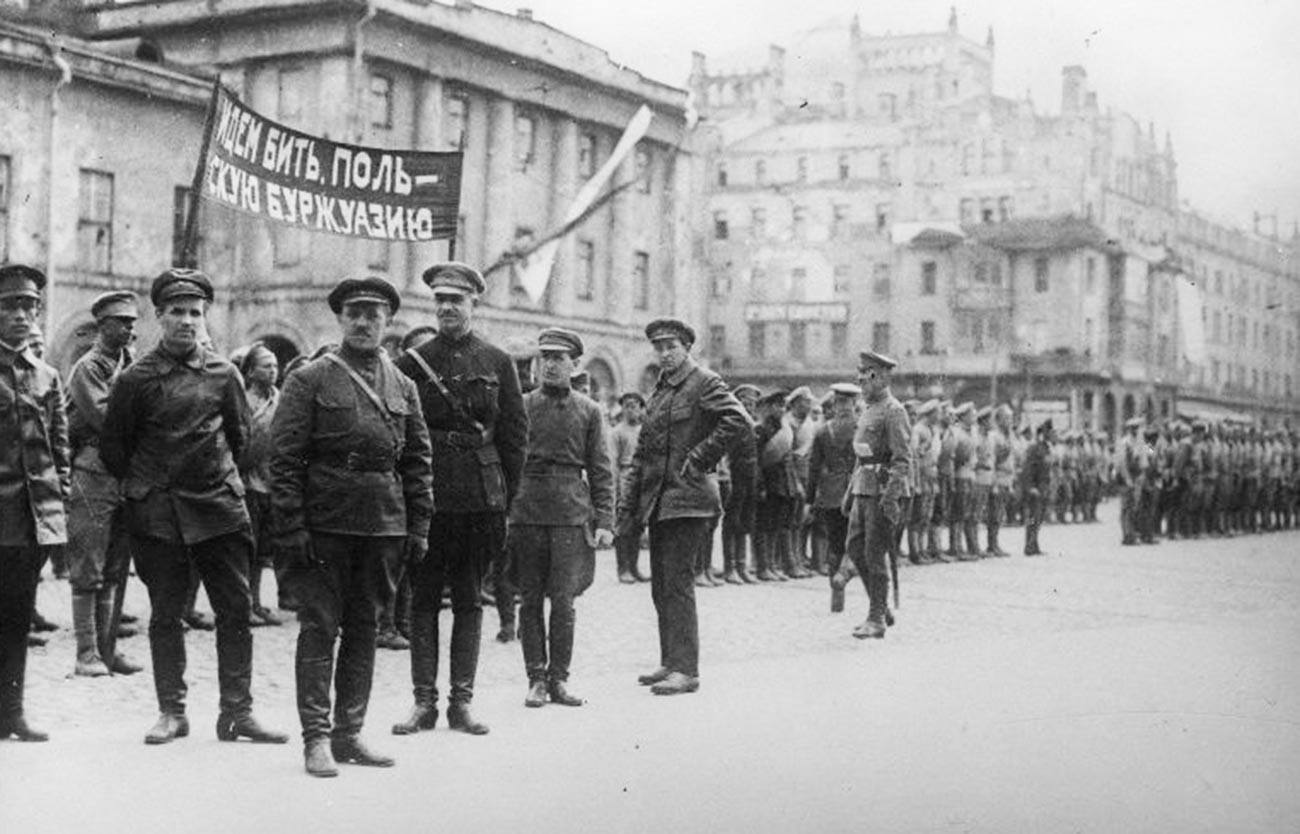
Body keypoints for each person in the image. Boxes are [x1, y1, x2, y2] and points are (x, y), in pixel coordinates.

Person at [101, 268, 287, 746]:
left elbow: (245, 442)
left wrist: (214, 476)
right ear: (159, 316)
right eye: (177, 313)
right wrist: (152, 484)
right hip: (159, 512)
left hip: (218, 509)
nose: (187, 322)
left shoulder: (225, 374)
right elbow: (114, 451)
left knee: (235, 610)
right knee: (166, 613)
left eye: (196, 313)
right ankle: (171, 711)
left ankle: (238, 713)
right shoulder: (135, 379)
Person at [270, 277, 432, 777]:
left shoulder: (403, 385)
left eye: (374, 314)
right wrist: (292, 529)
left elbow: (419, 461)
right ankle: (316, 737)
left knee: (365, 629)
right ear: (341, 319)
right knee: (320, 628)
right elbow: (285, 461)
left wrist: (419, 525)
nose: (364, 322)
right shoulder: (310, 378)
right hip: (325, 524)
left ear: (388, 322)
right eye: (355, 313)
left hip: (383, 525)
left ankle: (349, 733)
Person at [392, 262, 527, 737]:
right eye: (441, 300)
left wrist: (505, 501)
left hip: (477, 497)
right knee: (423, 600)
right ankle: (423, 702)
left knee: (470, 598)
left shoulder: (497, 361)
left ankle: (461, 703)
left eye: (458, 300)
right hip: (428, 496)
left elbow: (514, 437)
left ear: (475, 303)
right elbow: (401, 437)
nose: (448, 307)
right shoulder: (411, 363)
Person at [618, 319, 748, 696]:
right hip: (660, 500)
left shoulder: (703, 381)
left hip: (689, 499)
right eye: (658, 347)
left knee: (677, 583)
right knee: (661, 585)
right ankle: (670, 660)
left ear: (687, 347)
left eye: (671, 346)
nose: (664, 353)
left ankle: (686, 669)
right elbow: (643, 451)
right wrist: (629, 505)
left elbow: (738, 419)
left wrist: (701, 456)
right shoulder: (660, 391)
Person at [509, 328, 614, 709]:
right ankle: (536, 678)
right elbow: (506, 461)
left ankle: (559, 680)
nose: (550, 365)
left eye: (559, 358)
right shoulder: (520, 406)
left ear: (574, 364)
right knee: (530, 598)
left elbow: (602, 470)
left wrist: (605, 521)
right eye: (545, 358)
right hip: (528, 509)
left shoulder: (589, 410)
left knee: (565, 601)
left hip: (570, 513)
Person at [0, 264, 68, 741]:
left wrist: (53, 508)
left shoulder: (46, 376)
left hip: (31, 523)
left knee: (17, 620)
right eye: (11, 306)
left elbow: (59, 453)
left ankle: (11, 713)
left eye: (30, 306)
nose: (22, 315)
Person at [63, 290, 144, 677]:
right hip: (92, 470)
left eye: (132, 321)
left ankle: (108, 649)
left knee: (114, 566)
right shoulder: (88, 368)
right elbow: (106, 420)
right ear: (103, 325)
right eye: (122, 321)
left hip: (124, 473)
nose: (130, 328)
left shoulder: (131, 363)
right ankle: (86, 654)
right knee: (88, 565)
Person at [844, 351, 910, 639]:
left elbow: (902, 459)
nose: (862, 381)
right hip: (863, 488)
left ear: (882, 377)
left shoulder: (893, 411)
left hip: (882, 491)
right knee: (855, 549)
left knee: (874, 553)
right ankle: (880, 606)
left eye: (868, 376)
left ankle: (876, 619)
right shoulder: (868, 409)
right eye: (860, 375)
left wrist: (891, 496)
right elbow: (860, 458)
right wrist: (850, 492)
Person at [237, 342, 282, 626]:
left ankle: (256, 601)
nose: (273, 371)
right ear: (251, 372)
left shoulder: (280, 399)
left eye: (276, 366)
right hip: (247, 484)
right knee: (246, 550)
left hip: (271, 483)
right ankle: (243, 605)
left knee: (262, 551)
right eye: (267, 366)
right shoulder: (241, 400)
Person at [808, 383, 860, 612]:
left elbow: (814, 468)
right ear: (854, 403)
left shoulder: (823, 431)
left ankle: (836, 598)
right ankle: (845, 573)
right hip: (856, 491)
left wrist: (810, 500)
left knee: (835, 543)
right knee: (857, 539)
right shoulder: (862, 428)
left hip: (830, 494)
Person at [720, 383, 760, 584]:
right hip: (735, 477)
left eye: (753, 404)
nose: (749, 407)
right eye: (746, 403)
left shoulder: (752, 425)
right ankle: (730, 567)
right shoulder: (732, 423)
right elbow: (725, 454)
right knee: (732, 521)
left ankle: (741, 566)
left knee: (745, 521)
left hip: (750, 477)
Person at [610, 391, 648, 584]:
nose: (630, 409)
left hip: (643, 480)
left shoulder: (645, 431)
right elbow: (613, 462)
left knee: (637, 526)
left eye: (634, 405)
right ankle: (623, 568)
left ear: (642, 408)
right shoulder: (617, 432)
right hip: (625, 477)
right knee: (624, 526)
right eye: (626, 406)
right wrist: (616, 489)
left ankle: (634, 567)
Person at [1022, 420, 1053, 555]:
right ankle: (1029, 545)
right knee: (1032, 517)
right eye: (1050, 432)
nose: (1052, 434)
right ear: (1043, 433)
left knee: (1039, 517)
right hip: (1036, 488)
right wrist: (1030, 487)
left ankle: (1035, 544)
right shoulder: (1034, 448)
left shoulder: (1046, 448)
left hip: (1044, 486)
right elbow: (1028, 469)